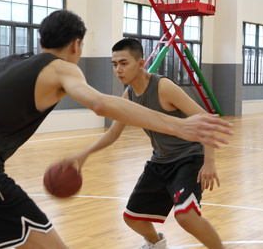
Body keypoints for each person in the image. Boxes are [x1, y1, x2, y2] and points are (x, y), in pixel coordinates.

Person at [0, 10, 232, 249]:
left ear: (41, 40)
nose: (118, 69)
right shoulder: (64, 68)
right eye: (114, 63)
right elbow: (101, 105)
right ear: (76, 45)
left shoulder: (8, 62)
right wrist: (178, 124)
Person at [63, 38, 224, 249]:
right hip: (160, 162)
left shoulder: (163, 87)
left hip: (187, 159)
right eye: (114, 64)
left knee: (186, 216)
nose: (118, 69)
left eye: (123, 63)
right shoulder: (128, 95)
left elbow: (207, 120)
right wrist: (84, 154)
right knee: (132, 217)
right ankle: (157, 244)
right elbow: (113, 133)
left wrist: (209, 161)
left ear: (140, 64)